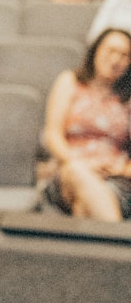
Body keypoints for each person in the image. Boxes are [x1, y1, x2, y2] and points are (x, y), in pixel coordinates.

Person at [43, 29, 131, 221]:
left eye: (124, 55)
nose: (115, 59)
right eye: (110, 51)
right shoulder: (70, 82)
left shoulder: (128, 98)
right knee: (77, 172)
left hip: (116, 177)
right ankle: (116, 240)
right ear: (95, 51)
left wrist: (120, 169)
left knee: (85, 204)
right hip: (68, 168)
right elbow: (52, 134)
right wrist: (77, 161)